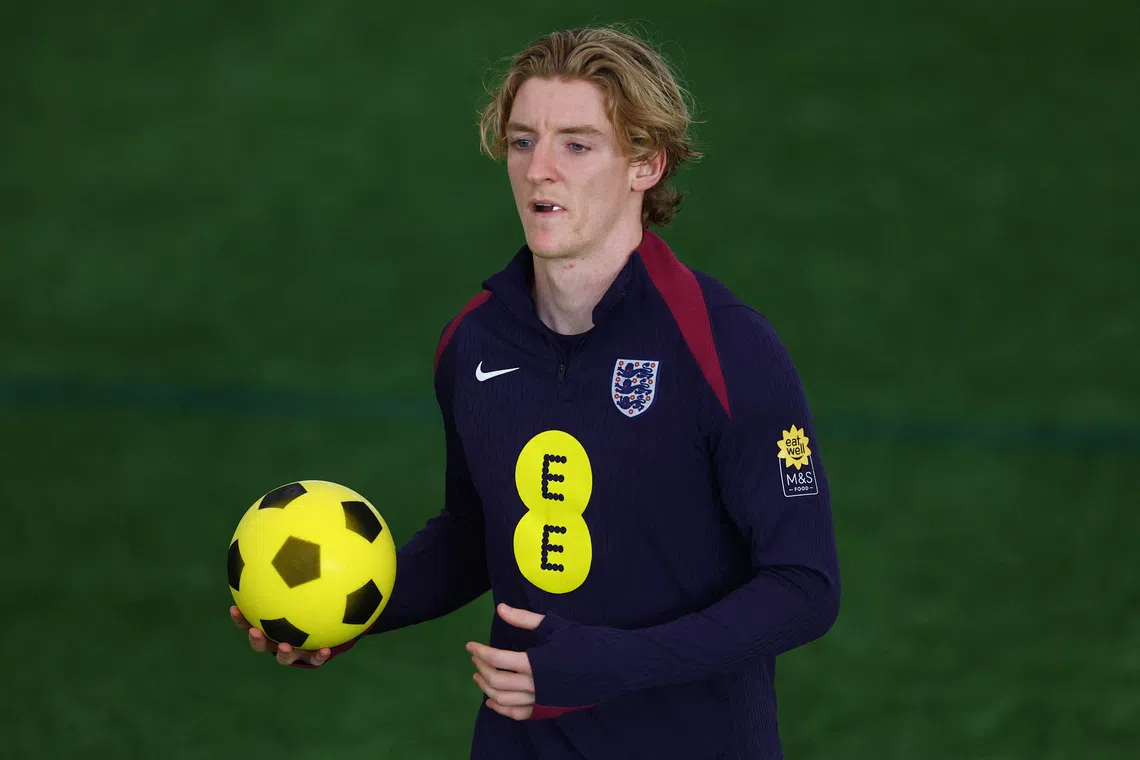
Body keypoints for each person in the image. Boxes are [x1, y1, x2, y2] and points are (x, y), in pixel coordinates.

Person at [231, 25, 841, 759]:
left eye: (577, 145)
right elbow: (474, 533)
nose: (539, 170)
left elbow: (804, 586)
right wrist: (343, 609)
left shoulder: (726, 348)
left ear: (645, 163)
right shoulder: (476, 341)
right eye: (523, 142)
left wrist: (607, 666)